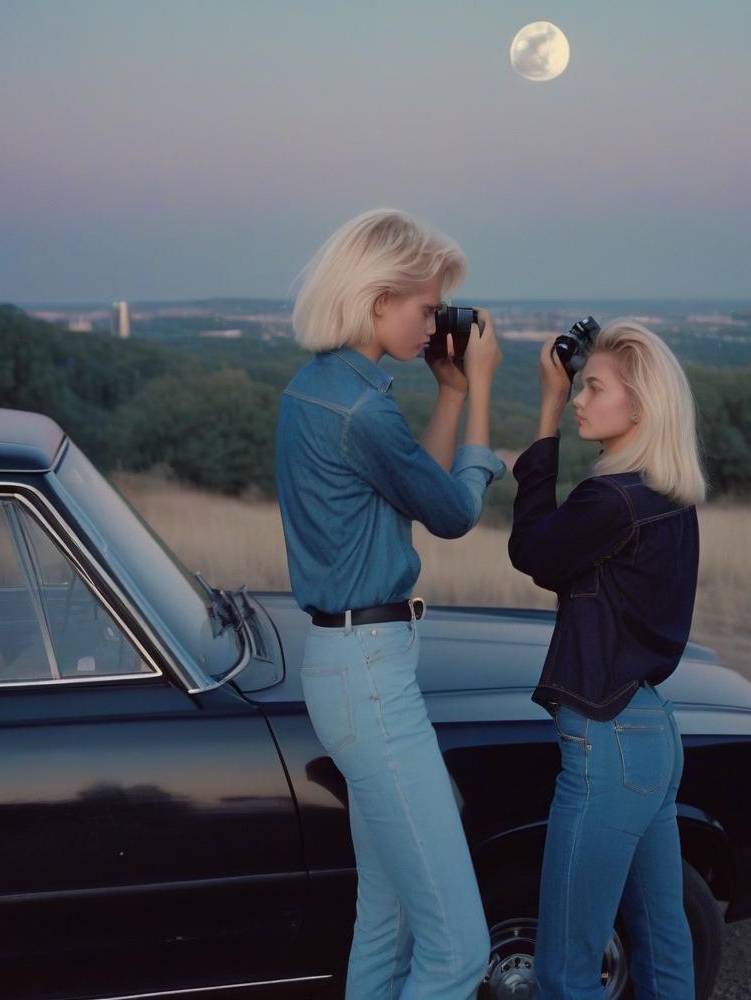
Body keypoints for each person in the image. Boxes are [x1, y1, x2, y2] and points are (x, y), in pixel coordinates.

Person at [275, 208, 505, 1000]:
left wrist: (444, 391)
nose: (434, 323)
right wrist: (478, 393)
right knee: (458, 951)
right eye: (424, 307)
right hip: (371, 680)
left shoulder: (318, 390)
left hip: (347, 670)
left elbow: (417, 492)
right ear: (376, 298)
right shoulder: (363, 410)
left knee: (388, 918)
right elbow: (452, 512)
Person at [508, 319, 707, 1000]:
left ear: (642, 404)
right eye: (577, 387)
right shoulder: (668, 497)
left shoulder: (611, 500)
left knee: (566, 968)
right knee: (663, 944)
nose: (580, 399)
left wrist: (544, 409)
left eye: (593, 388)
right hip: (651, 732)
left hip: (609, 739)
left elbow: (532, 551)